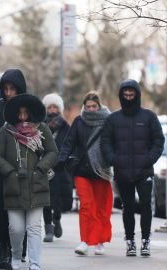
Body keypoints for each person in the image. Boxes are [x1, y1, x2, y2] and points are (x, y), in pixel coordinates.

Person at [0, 94, 58, 270]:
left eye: (25, 113)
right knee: (16, 228)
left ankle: (34, 263)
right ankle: (16, 255)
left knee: (35, 227)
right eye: (19, 113)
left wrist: (40, 168)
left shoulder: (42, 128)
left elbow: (53, 152)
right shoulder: (6, 131)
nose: (22, 117)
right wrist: (10, 171)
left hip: (37, 185)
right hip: (14, 186)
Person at [101, 80, 165, 257]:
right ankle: (130, 242)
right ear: (121, 95)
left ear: (137, 94)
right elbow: (105, 142)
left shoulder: (149, 117)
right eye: (125, 95)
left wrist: (149, 159)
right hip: (122, 172)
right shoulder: (113, 119)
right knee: (128, 207)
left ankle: (145, 241)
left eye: (131, 94)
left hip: (144, 171)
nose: (128, 97)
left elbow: (159, 141)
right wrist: (114, 160)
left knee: (145, 205)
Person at [57, 91, 113, 255]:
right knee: (86, 206)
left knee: (102, 207)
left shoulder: (108, 121)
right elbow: (69, 141)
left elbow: (113, 143)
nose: (90, 109)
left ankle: (100, 241)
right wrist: (61, 160)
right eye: (87, 107)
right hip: (82, 171)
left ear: (99, 106)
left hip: (101, 170)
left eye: (94, 106)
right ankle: (84, 241)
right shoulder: (79, 121)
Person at [0, 68, 27, 269]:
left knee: (19, 209)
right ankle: (3, 245)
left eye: (13, 89)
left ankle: (19, 244)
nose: (9, 93)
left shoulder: (28, 108)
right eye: (5, 89)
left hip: (23, 170)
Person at [41, 93, 71, 242]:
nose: (52, 110)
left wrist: (64, 160)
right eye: (49, 107)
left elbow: (70, 144)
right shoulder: (40, 126)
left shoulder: (66, 127)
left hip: (60, 168)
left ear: (60, 109)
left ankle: (57, 219)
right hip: (44, 167)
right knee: (45, 199)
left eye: (55, 107)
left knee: (58, 199)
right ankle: (48, 229)